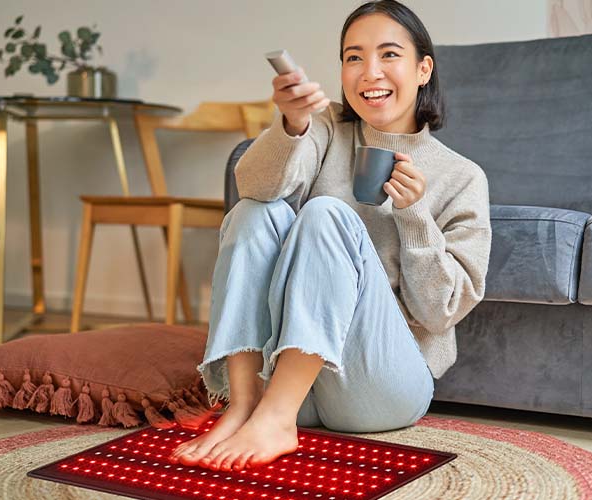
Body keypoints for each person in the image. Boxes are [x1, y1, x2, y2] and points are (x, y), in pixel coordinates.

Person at [170, 0, 491, 472]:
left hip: (380, 390)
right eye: (354, 57)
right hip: (293, 384)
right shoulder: (327, 129)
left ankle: (274, 419)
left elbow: (441, 312)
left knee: (325, 214)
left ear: (423, 69)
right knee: (253, 214)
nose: (369, 72)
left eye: (388, 55)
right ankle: (244, 404)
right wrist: (291, 124)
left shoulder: (462, 177)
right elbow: (254, 189)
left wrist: (415, 215)